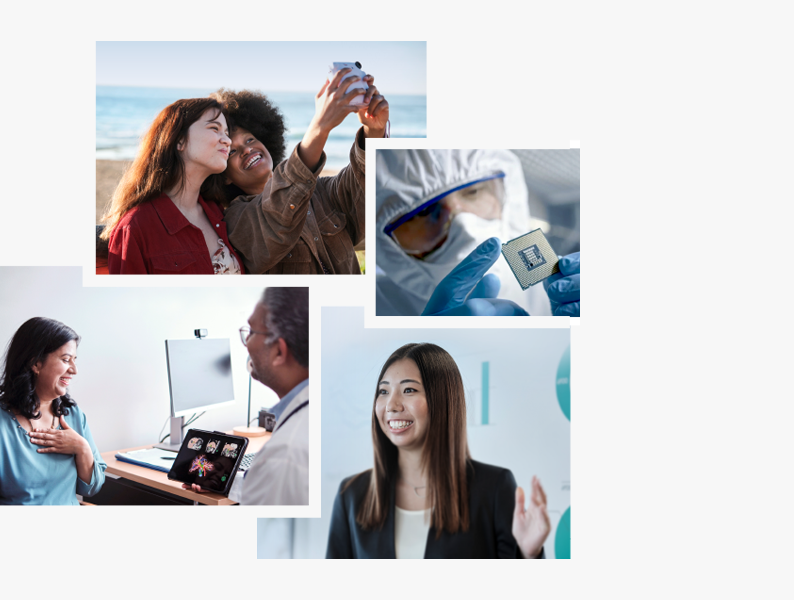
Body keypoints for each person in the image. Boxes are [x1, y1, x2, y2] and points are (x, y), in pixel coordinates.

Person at [326, 343, 550, 558]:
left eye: (409, 390)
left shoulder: (493, 489)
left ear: (442, 400)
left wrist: (529, 554)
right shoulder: (352, 495)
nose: (391, 405)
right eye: (383, 391)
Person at [202, 68, 389, 274]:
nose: (247, 150)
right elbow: (278, 208)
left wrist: (374, 131)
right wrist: (320, 125)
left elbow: (361, 183)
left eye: (250, 139)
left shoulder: (321, 191)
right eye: (232, 151)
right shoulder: (237, 220)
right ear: (223, 175)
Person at [375, 149, 581, 316]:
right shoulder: (376, 307)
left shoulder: (546, 273)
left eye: (473, 192)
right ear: (385, 244)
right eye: (423, 212)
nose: (464, 227)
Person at [181, 287, 309, 504]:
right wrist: (224, 482)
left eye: (252, 332)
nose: (246, 342)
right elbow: (268, 486)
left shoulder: (284, 456)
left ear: (279, 351)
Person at [0, 317, 106, 505]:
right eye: (66, 360)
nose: (74, 370)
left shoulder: (73, 415)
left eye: (74, 360)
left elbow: (91, 488)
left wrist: (82, 448)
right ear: (36, 363)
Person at [101, 98, 244, 274]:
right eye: (214, 128)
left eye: (227, 133)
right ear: (179, 140)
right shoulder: (135, 227)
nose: (228, 141)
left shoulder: (217, 212)